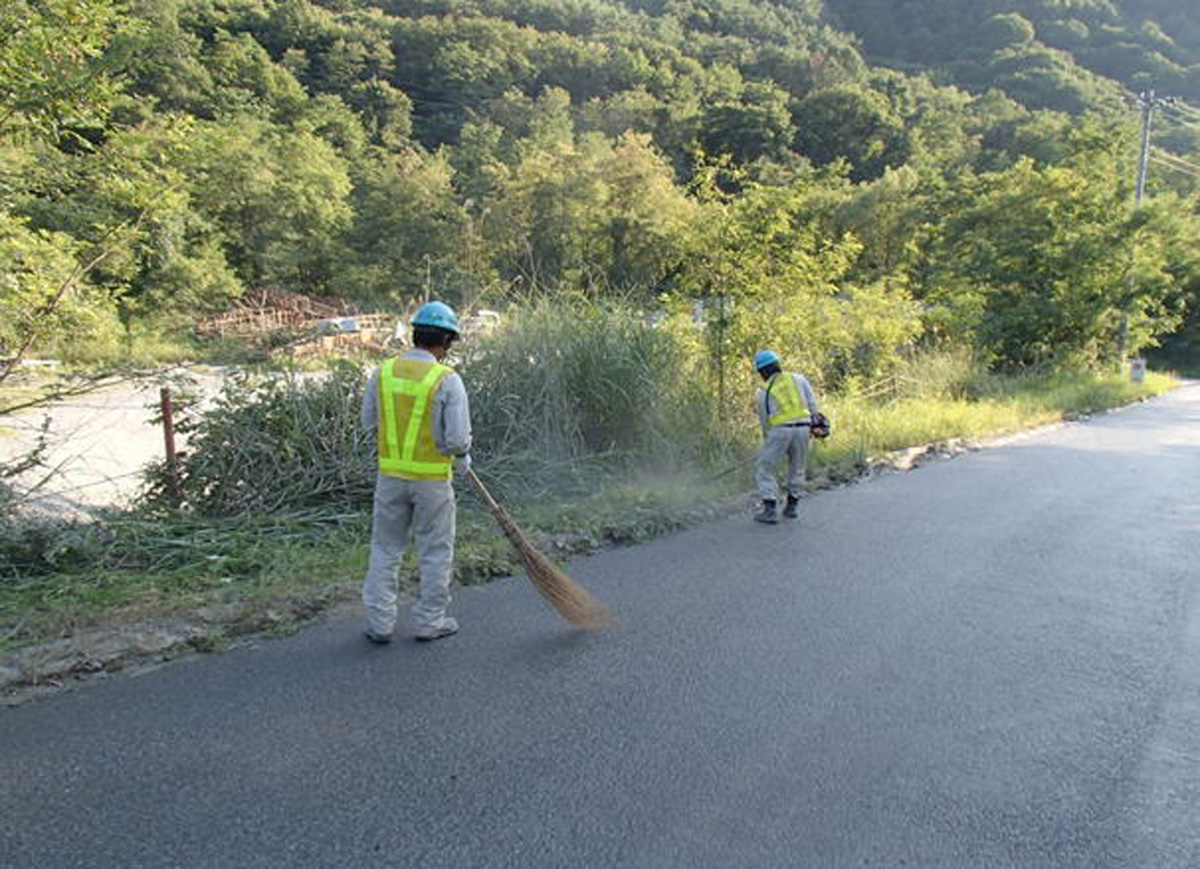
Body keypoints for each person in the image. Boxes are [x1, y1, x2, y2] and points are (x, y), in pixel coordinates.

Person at [361, 301, 472, 643]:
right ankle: (429, 622)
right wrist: (462, 454)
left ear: (415, 334)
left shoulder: (384, 372)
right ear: (447, 341)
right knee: (435, 551)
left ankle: (380, 624)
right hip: (432, 483)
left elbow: (369, 423)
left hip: (390, 478)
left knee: (385, 549)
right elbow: (455, 440)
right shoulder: (447, 379)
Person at [752, 350, 819, 525]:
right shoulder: (798, 379)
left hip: (780, 430)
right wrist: (814, 425)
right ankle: (791, 507)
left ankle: (770, 509)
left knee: (765, 468)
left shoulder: (764, 392)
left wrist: (768, 441)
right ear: (777, 364)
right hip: (803, 428)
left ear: (762, 371)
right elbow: (812, 404)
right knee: (797, 467)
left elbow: (765, 421)